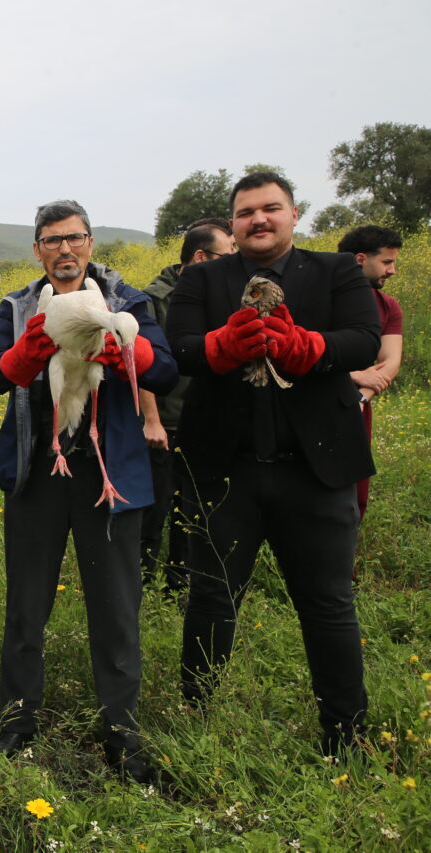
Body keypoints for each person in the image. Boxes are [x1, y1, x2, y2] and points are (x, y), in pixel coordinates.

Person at [166, 171, 380, 756]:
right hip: (223, 470)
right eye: (246, 212)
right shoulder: (203, 278)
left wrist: (310, 348)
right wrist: (219, 346)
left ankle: (345, 733)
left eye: (271, 208)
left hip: (316, 471)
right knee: (211, 597)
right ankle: (197, 718)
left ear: (293, 213)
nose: (258, 219)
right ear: (232, 225)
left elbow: (364, 338)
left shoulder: (335, 271)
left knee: (328, 604)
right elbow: (176, 347)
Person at [0, 200, 177, 781]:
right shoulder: (15, 307)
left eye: (75, 238)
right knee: (26, 605)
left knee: (115, 607)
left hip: (107, 474)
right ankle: (16, 723)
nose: (64, 249)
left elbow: (163, 370)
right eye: (52, 240)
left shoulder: (127, 301)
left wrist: (127, 352)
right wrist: (23, 355)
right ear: (37, 250)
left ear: (90, 243)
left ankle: (122, 733)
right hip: (38, 471)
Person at [139, 219, 236, 595]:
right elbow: (141, 364)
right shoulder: (153, 299)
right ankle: (142, 585)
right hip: (165, 422)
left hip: (204, 423)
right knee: (155, 510)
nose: (233, 262)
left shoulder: (218, 294)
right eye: (227, 254)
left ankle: (178, 588)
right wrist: (152, 420)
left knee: (193, 514)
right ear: (201, 256)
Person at [337, 225, 404, 523]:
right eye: (387, 262)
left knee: (354, 495)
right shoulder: (320, 297)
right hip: (316, 401)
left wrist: (362, 397)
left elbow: (390, 362)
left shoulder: (388, 306)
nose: (393, 271)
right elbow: (299, 351)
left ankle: (344, 568)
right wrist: (353, 375)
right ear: (360, 259)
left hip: (357, 408)